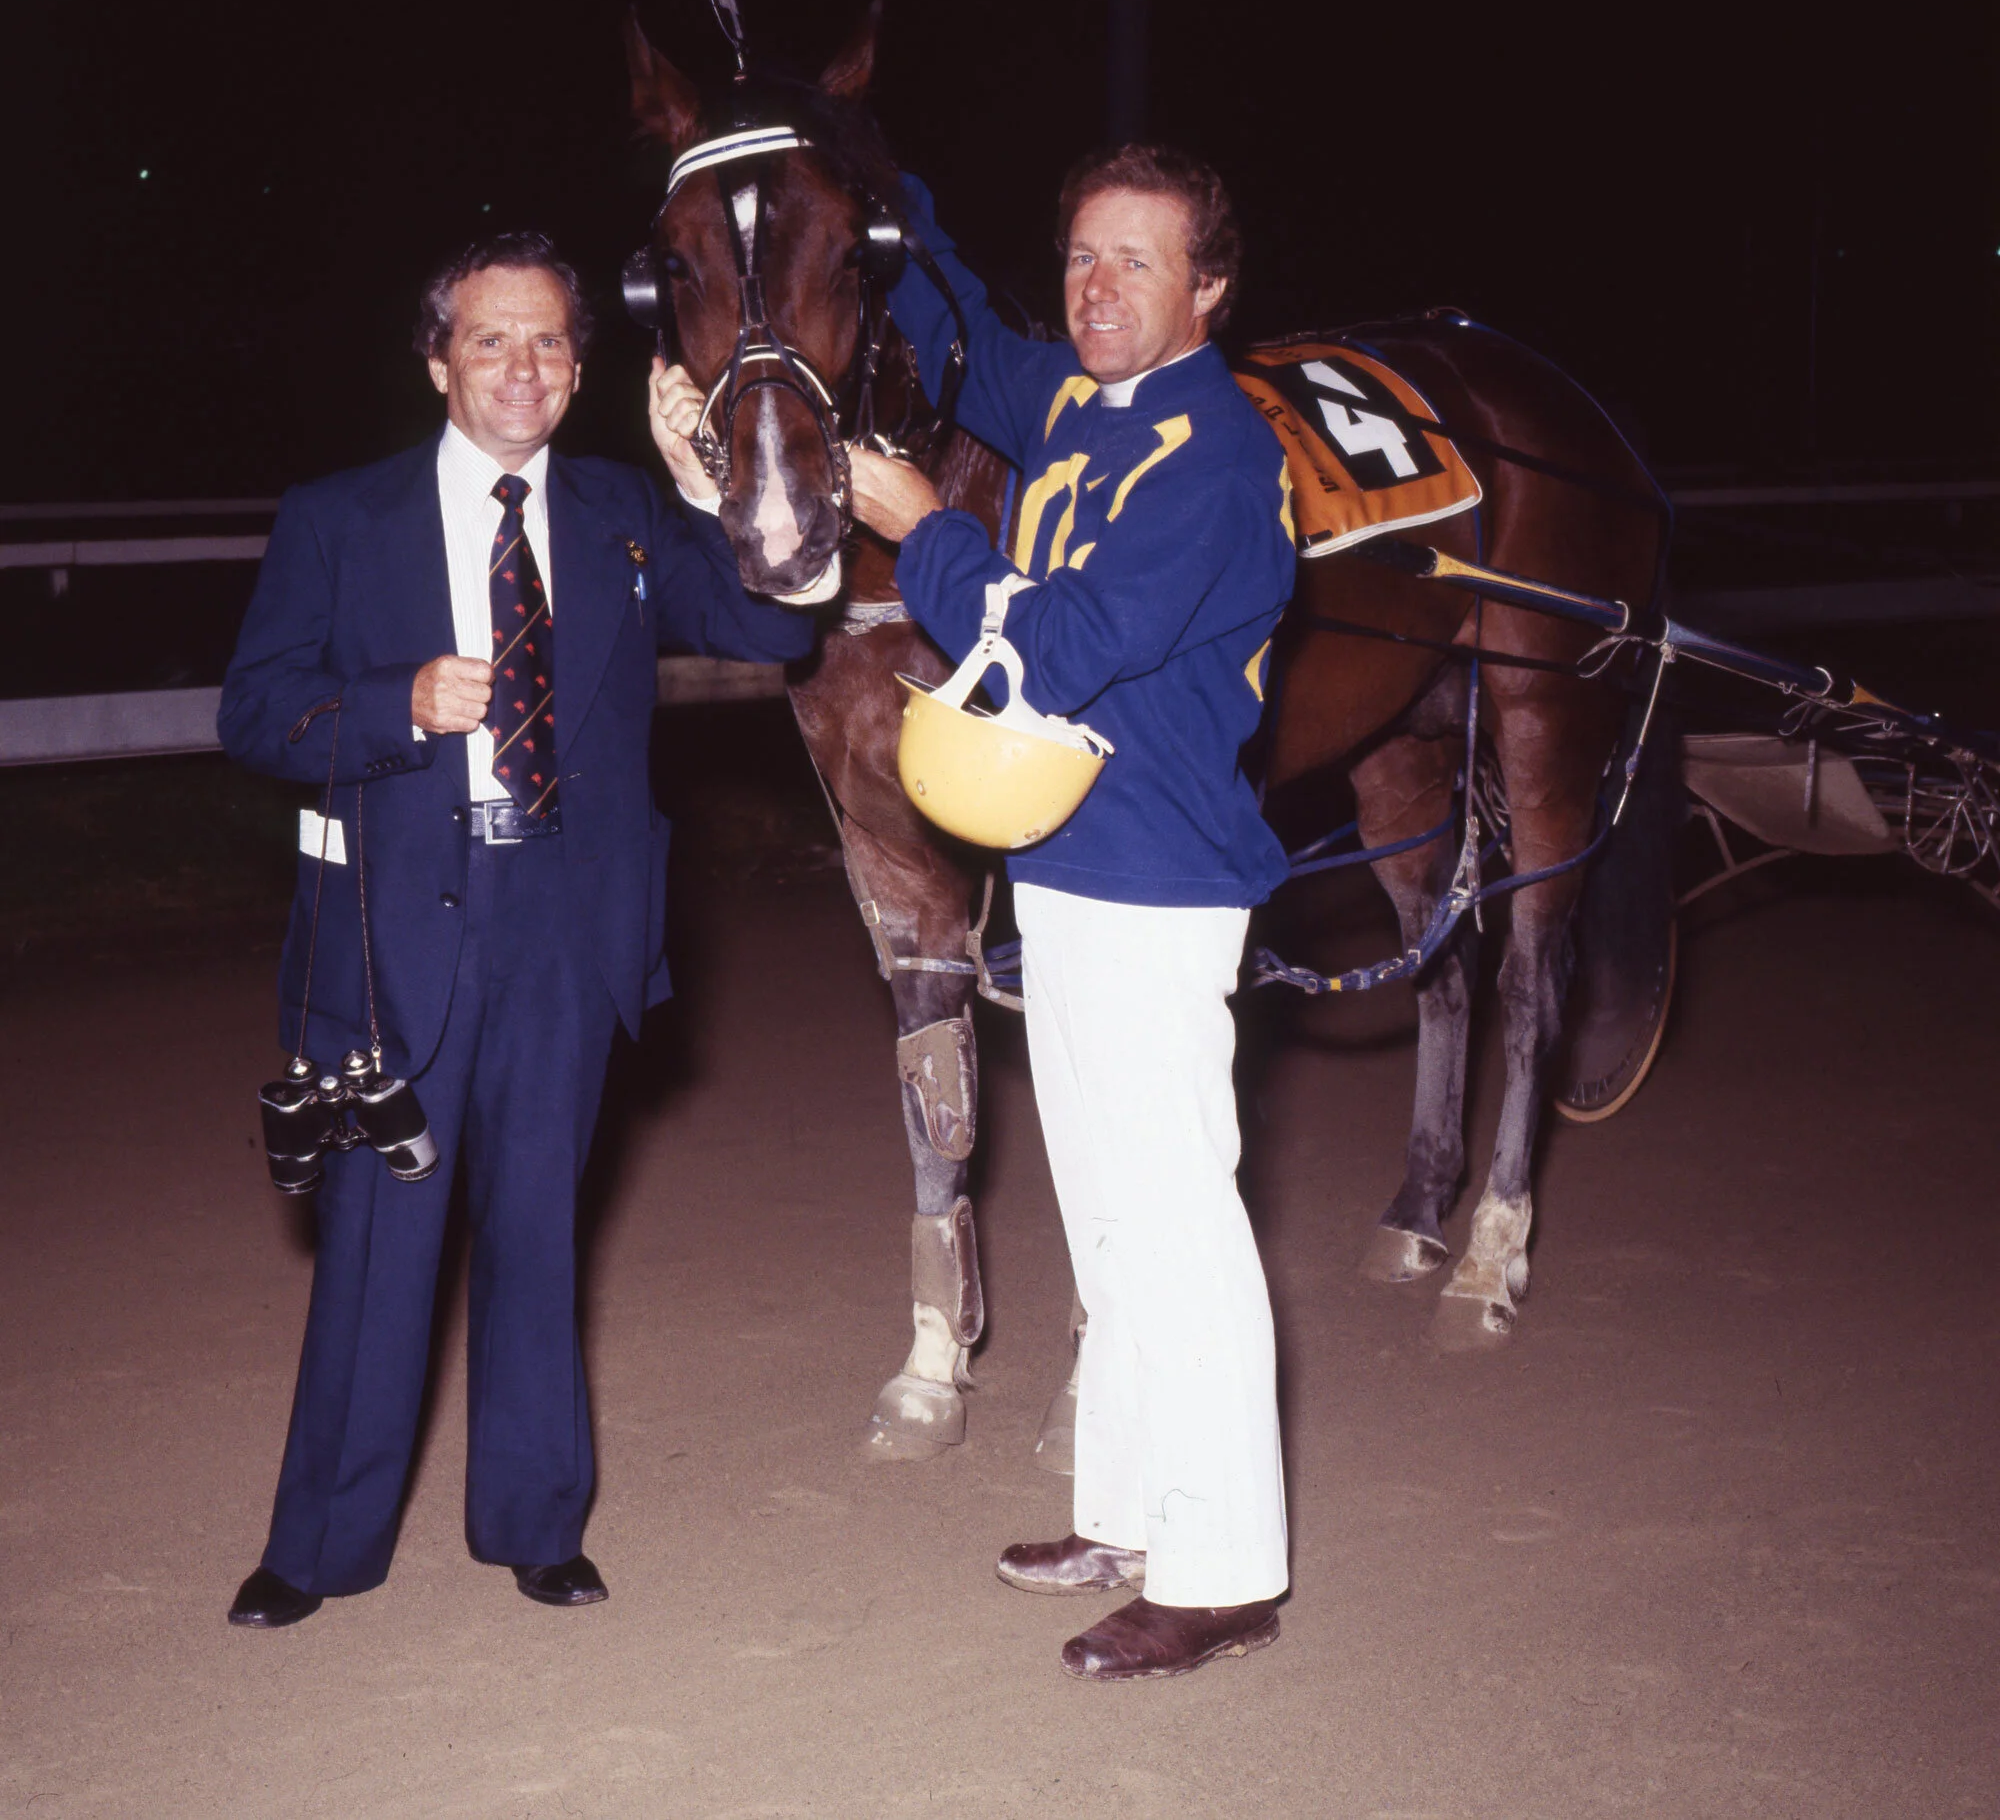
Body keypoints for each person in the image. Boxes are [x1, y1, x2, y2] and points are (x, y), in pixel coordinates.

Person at [218, 232, 813, 1627]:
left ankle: (537, 1522)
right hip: (395, 931)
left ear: (581, 367)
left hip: (567, 922)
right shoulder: (340, 518)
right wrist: (394, 702)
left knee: (538, 1230)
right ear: (438, 361)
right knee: (379, 1238)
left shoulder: (623, 512)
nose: (522, 368)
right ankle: (318, 1546)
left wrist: (709, 478)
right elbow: (252, 712)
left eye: (548, 341)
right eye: (490, 339)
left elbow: (777, 631)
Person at [848, 146, 1297, 1681]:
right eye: (1084, 257)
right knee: (1109, 1222)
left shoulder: (1216, 453)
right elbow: (967, 332)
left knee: (1180, 1228)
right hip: (1068, 871)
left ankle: (1222, 1568)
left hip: (1159, 882)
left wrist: (925, 525)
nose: (1098, 288)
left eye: (1138, 262)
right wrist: (874, 182)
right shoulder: (1080, 401)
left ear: (1208, 289)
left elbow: (1067, 642)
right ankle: (1125, 1512)